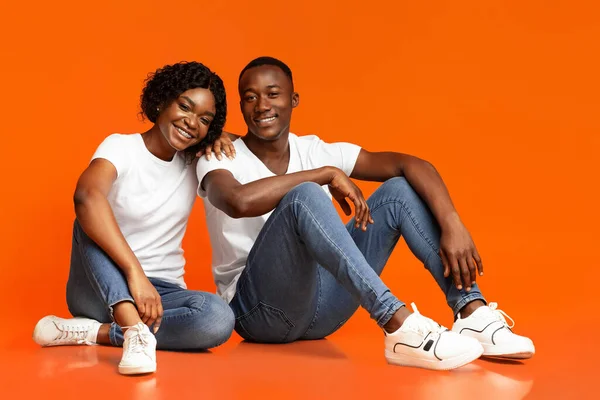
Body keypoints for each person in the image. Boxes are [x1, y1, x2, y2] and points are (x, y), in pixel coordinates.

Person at [195, 56, 535, 371]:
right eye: (250, 97)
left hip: (322, 310)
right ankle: (399, 326)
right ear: (240, 105)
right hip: (259, 313)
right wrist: (324, 174)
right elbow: (237, 202)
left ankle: (471, 311)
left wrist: (452, 222)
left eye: (273, 94)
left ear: (294, 99)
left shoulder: (314, 149)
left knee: (399, 191)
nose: (262, 106)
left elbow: (410, 164)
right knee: (304, 195)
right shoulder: (218, 155)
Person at [33, 61, 236, 375]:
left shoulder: (194, 161)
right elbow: (86, 196)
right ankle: (133, 330)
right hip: (100, 286)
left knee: (217, 317)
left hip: (162, 293)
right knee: (88, 214)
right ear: (161, 100)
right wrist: (135, 275)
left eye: (204, 119)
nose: (191, 122)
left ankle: (94, 332)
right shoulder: (122, 147)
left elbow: (254, 146)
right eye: (185, 107)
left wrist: (223, 135)